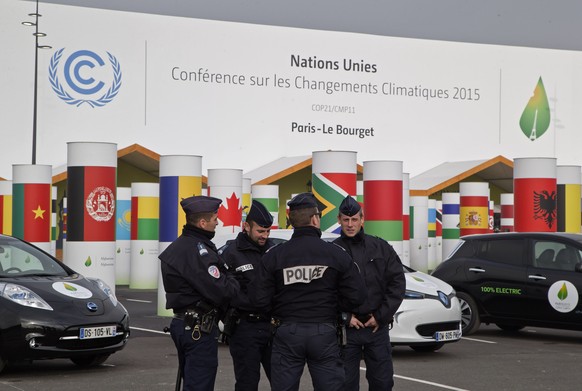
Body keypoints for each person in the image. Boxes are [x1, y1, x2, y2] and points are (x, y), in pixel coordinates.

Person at [252, 192, 367, 391]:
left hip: (286, 330)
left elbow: (259, 299)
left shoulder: (274, 255)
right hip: (324, 331)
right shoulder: (335, 254)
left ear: (291, 221)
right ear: (315, 219)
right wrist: (336, 308)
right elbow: (357, 296)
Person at [159, 195, 240, 391]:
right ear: (202, 223)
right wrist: (231, 277)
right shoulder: (198, 252)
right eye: (214, 219)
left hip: (184, 324)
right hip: (197, 328)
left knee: (193, 381)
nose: (217, 222)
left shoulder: (178, 247)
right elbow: (224, 290)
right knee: (199, 384)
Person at [333, 195, 406, 391]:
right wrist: (345, 317)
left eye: (354, 219)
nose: (350, 224)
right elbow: (325, 291)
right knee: (345, 385)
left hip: (376, 328)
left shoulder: (380, 247)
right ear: (339, 220)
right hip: (347, 330)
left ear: (362, 220)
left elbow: (397, 284)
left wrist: (381, 316)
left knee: (382, 383)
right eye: (346, 220)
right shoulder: (332, 251)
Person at [220, 200, 275, 391]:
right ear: (246, 226)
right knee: (247, 383)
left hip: (272, 327)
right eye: (260, 231)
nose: (265, 236)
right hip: (245, 329)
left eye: (268, 231)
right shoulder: (232, 254)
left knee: (283, 381)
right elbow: (225, 293)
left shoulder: (273, 250)